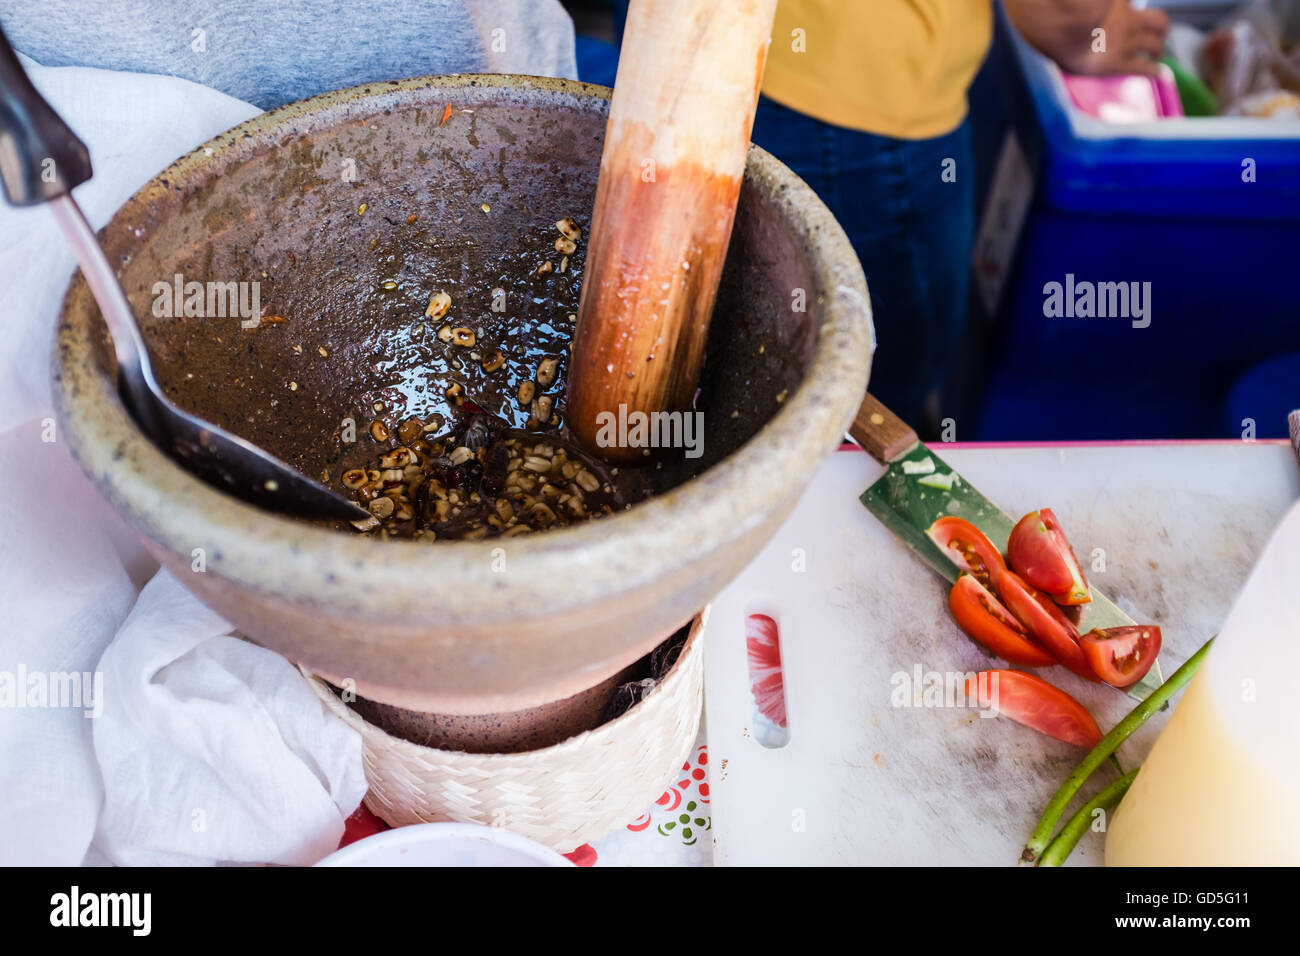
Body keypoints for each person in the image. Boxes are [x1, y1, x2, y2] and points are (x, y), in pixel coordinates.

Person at [750, 0, 1170, 428]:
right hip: (863, 98)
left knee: (761, 354)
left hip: (750, 47)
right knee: (875, 394)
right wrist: (1086, 34)